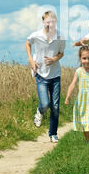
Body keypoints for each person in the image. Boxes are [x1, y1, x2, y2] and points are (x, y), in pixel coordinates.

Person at [26, 11, 66, 143]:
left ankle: (53, 134)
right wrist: (31, 61)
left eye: (53, 21)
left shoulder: (60, 36)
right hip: (41, 74)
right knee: (45, 103)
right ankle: (39, 111)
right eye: (48, 21)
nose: (50, 24)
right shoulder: (36, 35)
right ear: (43, 22)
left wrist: (54, 58)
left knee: (55, 106)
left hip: (55, 75)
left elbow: (61, 53)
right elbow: (28, 43)